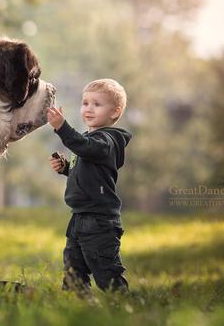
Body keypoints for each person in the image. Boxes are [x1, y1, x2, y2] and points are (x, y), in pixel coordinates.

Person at [47, 78, 132, 294]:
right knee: (73, 270)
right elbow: (87, 169)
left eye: (97, 104)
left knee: (106, 272)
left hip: (99, 221)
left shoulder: (108, 140)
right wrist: (65, 168)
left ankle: (122, 305)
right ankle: (79, 307)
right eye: (85, 103)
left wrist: (62, 128)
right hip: (79, 218)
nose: (89, 108)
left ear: (115, 112)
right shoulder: (89, 140)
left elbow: (87, 148)